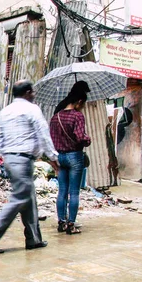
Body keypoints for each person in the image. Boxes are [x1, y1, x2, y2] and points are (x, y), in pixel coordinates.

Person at [0, 80, 59, 254]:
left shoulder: (5, 111)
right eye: (33, 92)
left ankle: (33, 239)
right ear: (28, 92)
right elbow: (43, 134)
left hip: (10, 159)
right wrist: (53, 157)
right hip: (23, 160)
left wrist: (5, 154)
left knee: (29, 198)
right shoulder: (32, 109)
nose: (34, 95)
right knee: (20, 198)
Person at [49, 90, 91, 235]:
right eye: (83, 104)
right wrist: (88, 139)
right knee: (74, 192)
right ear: (79, 102)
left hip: (60, 157)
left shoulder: (55, 117)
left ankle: (61, 222)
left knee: (62, 192)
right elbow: (80, 138)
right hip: (74, 157)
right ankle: (71, 224)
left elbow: (51, 141)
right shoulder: (77, 116)